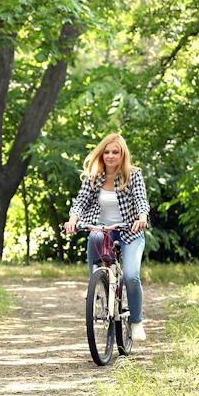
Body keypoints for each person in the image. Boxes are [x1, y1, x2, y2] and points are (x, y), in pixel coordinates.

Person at [64, 133, 150, 341]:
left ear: (123, 155)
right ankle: (97, 282)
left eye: (116, 152)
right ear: (101, 154)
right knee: (94, 237)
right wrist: (73, 219)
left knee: (130, 275)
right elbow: (81, 202)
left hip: (130, 229)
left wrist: (142, 217)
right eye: (107, 152)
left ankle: (136, 321)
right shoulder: (94, 177)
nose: (111, 156)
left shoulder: (133, 175)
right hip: (103, 228)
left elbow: (141, 200)